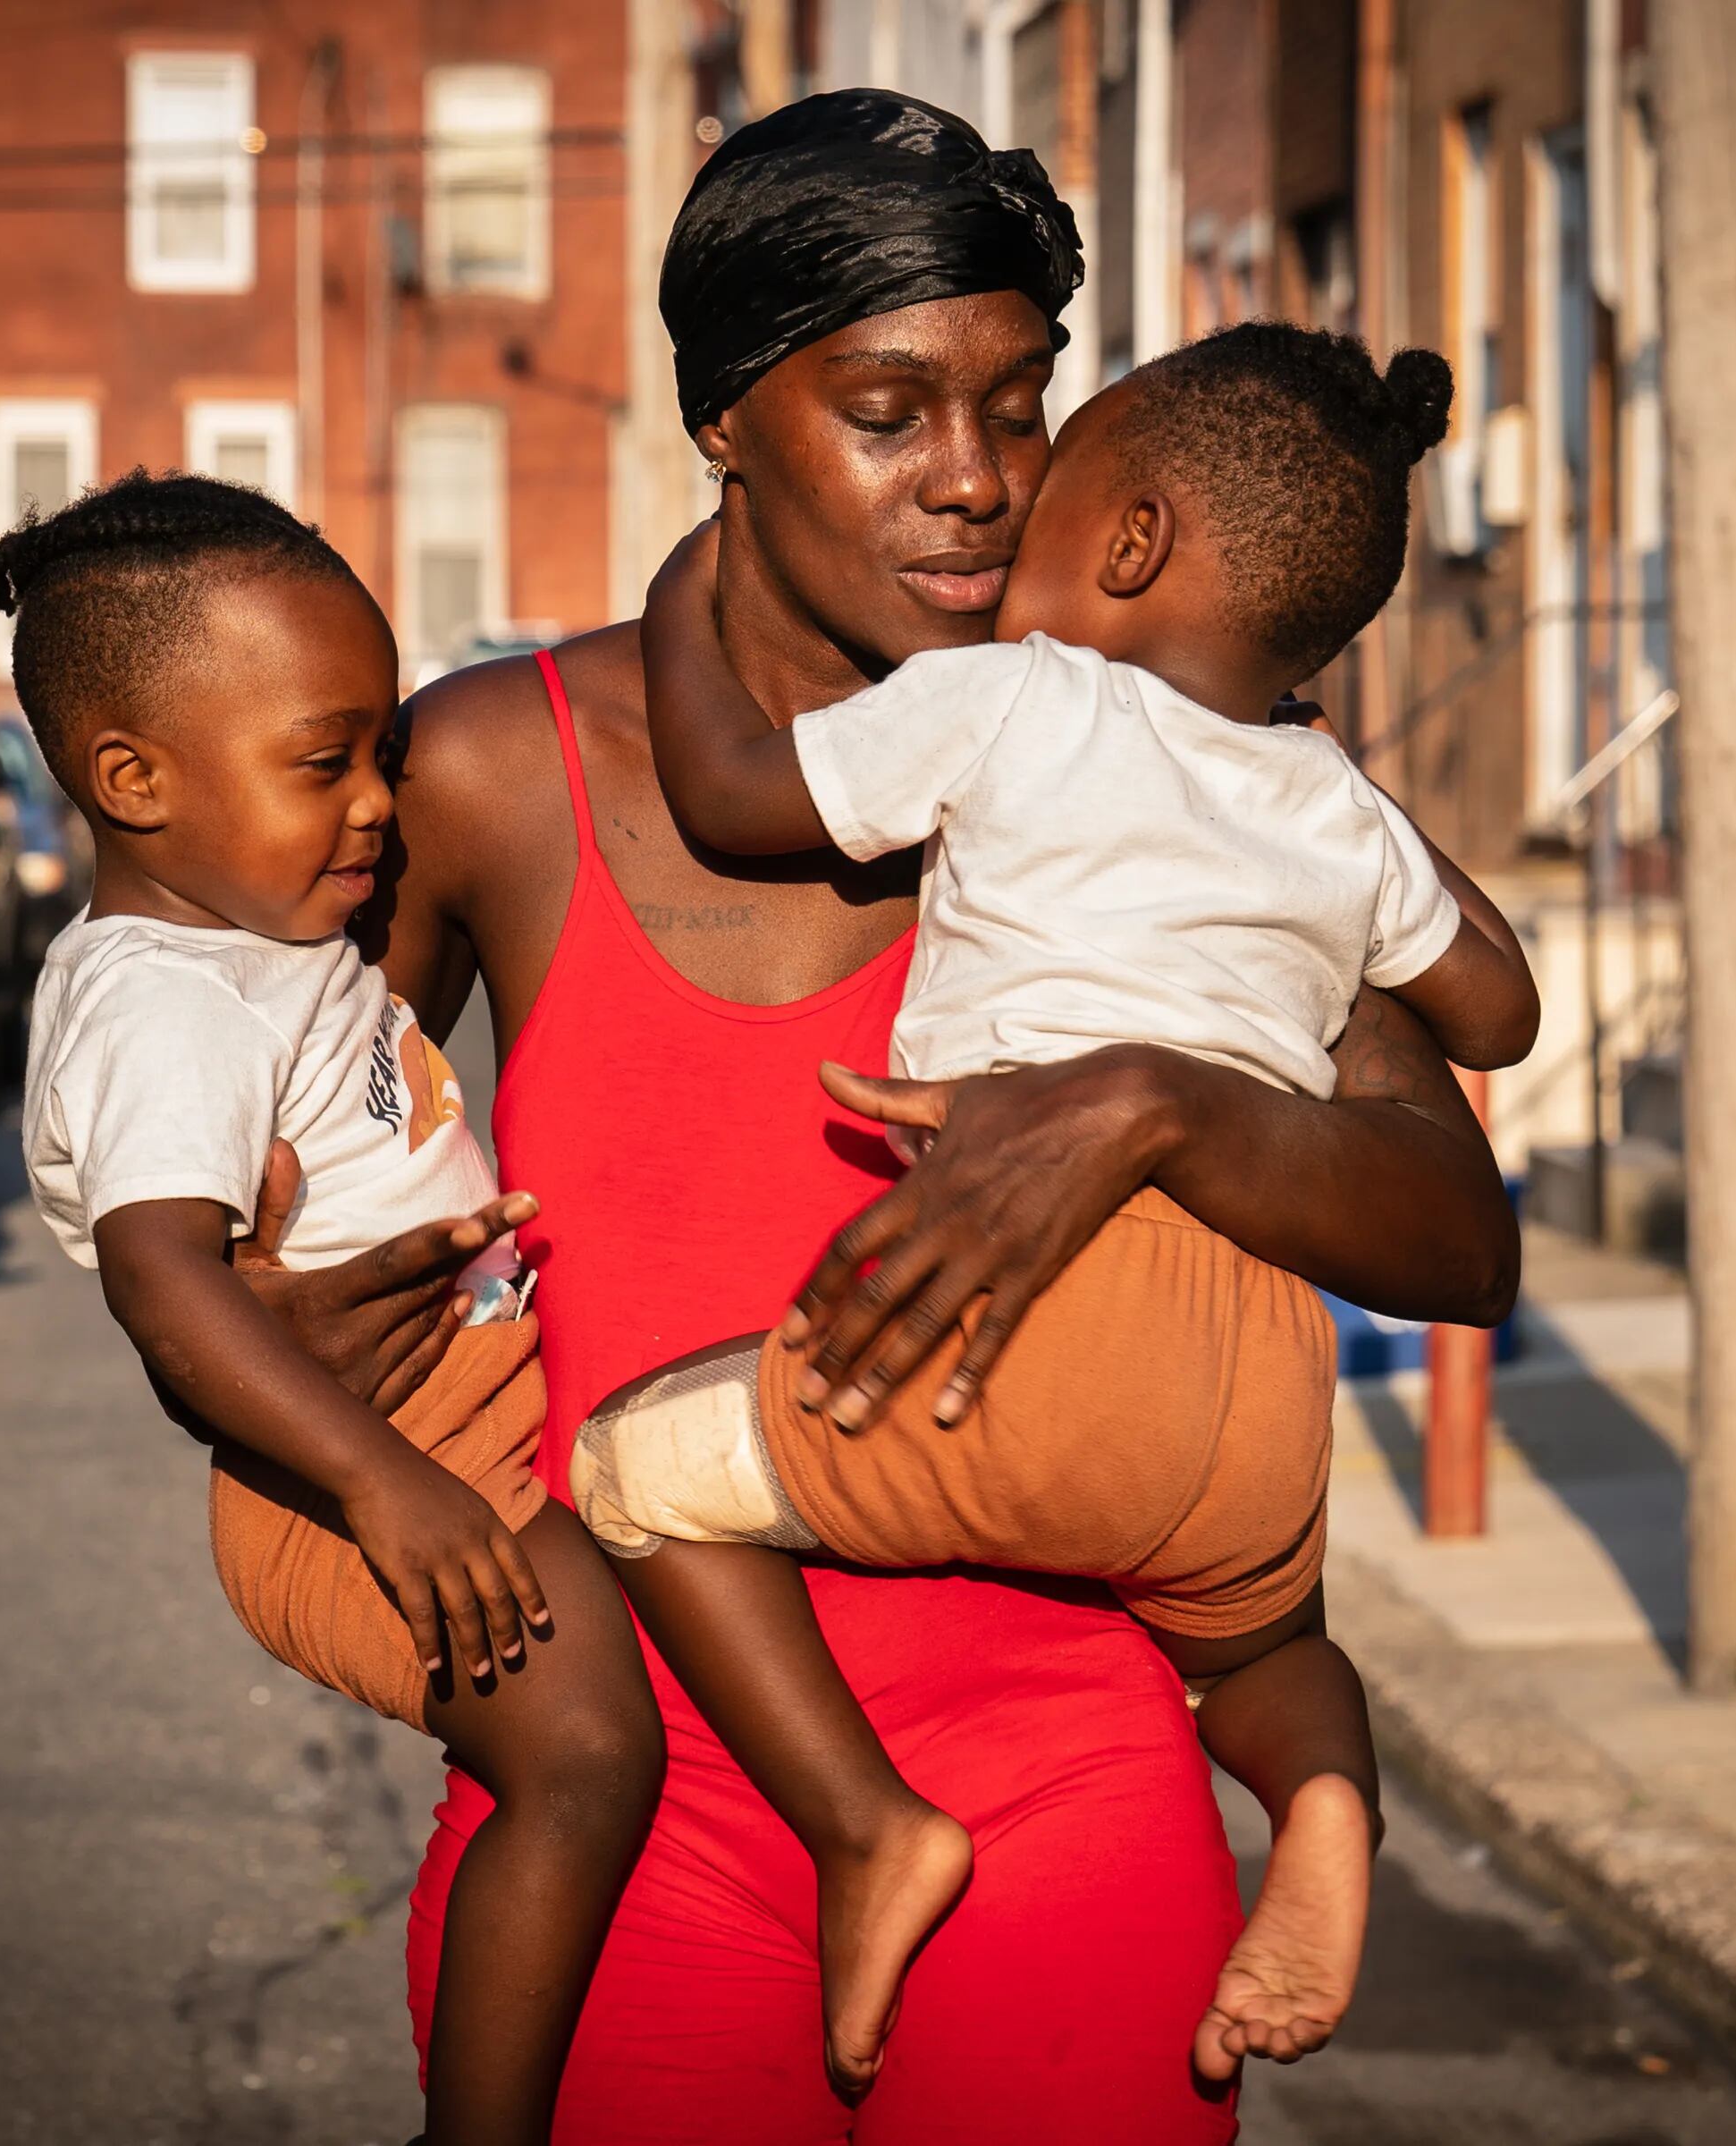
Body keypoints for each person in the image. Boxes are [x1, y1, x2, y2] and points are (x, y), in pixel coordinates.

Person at [218, 88, 1525, 2140]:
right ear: (726, 418)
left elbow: (1462, 1233)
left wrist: (1156, 1102)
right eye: (893, 411)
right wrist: (284, 1331)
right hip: (632, 1829)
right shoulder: (494, 771)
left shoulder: (1165, 751)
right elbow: (284, 1191)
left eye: (1020, 408)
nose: (978, 485)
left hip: (1072, 1795)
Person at [573, 319, 1536, 2095]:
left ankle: (868, 1828)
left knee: (633, 1464)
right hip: (1251, 1379)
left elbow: (726, 784)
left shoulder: (1019, 698)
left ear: (1135, 539)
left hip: (1031, 1332)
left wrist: (689, 578)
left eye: (1048, 465)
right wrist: (1310, 793)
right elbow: (1500, 1005)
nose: (996, 516)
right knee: (1260, 1645)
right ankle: (1323, 1801)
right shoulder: (1335, 805)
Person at [0, 473, 662, 2146]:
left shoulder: (257, 928)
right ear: (130, 782)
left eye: (383, 758)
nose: (374, 806)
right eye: (324, 763)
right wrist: (385, 1482)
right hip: (365, 1476)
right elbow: (165, 1281)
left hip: (443, 1428)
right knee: (584, 1755)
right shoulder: (164, 1001)